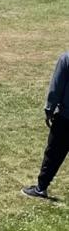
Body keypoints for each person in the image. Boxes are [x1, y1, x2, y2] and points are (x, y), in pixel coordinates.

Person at [23, 52, 69, 199]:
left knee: (54, 153)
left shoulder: (66, 59)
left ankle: (41, 188)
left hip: (66, 117)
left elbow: (56, 87)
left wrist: (49, 109)